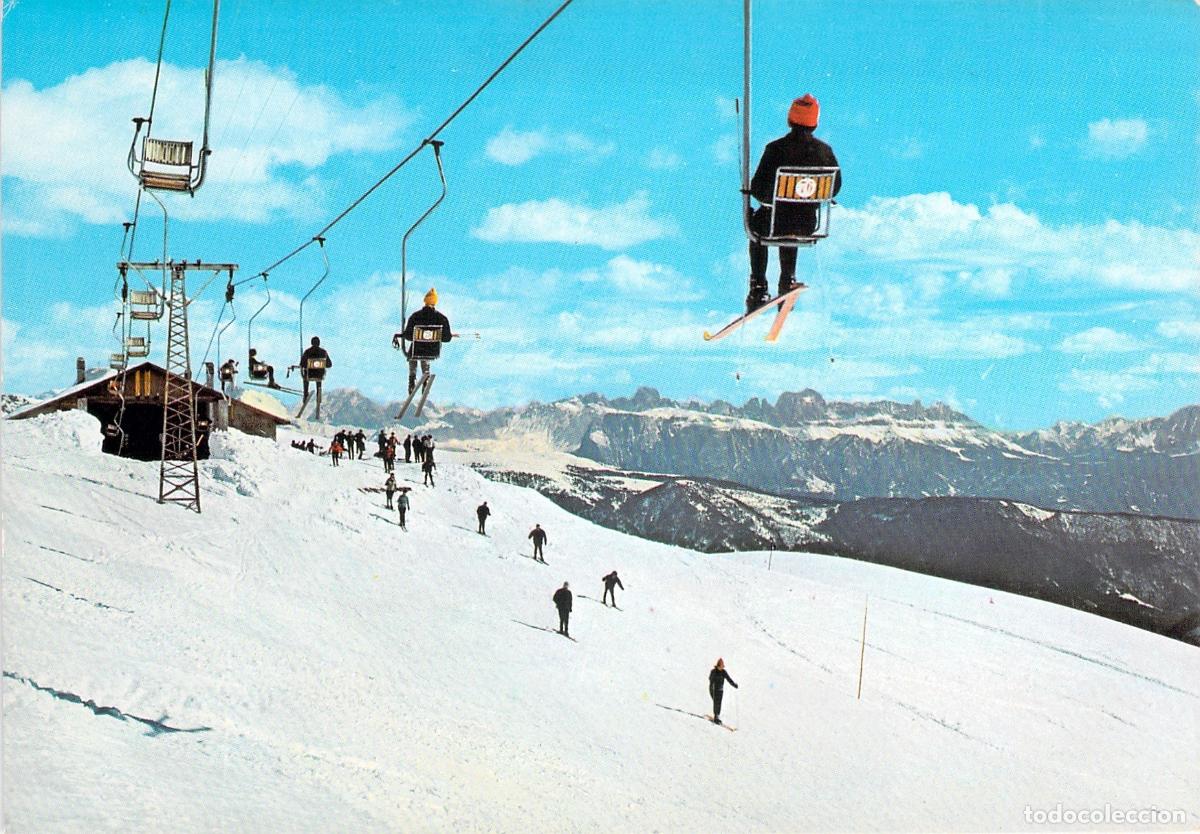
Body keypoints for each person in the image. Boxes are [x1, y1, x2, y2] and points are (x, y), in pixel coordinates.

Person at [746, 93, 841, 313]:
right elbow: (835, 186)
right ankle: (787, 279)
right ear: (814, 122)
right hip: (807, 225)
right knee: (791, 222)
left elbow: (758, 188)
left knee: (758, 225)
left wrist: (772, 198)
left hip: (773, 223)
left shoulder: (775, 149)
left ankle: (759, 286)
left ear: (790, 119)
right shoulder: (824, 152)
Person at [393, 288, 453, 394]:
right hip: (432, 351)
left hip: (416, 350)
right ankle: (426, 376)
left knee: (415, 351)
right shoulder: (442, 318)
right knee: (426, 352)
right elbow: (447, 338)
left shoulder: (415, 316)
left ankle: (412, 378)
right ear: (435, 302)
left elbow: (408, 336)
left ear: (425, 301)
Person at [299, 336, 332, 403]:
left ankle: (305, 394)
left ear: (311, 343)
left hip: (309, 375)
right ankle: (318, 395)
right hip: (319, 375)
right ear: (319, 343)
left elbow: (302, 364)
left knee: (306, 376)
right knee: (319, 377)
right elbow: (329, 365)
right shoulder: (324, 352)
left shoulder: (307, 352)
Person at [708, 658, 738, 725]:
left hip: (720, 690)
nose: (721, 668)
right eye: (720, 666)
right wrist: (712, 686)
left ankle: (717, 716)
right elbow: (710, 679)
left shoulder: (723, 672)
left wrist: (734, 685)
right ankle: (716, 717)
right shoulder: (713, 671)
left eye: (722, 666)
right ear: (717, 666)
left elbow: (729, 679)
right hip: (713, 689)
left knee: (719, 703)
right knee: (716, 703)